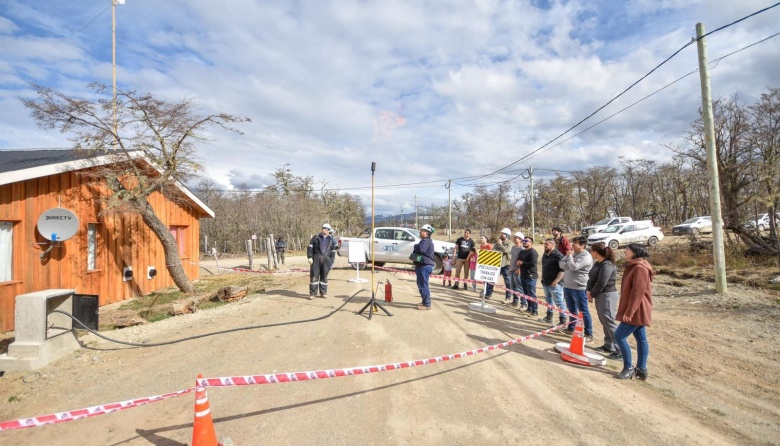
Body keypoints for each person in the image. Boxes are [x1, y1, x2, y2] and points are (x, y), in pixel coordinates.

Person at [614, 244, 655, 380]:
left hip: (638, 309)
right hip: (637, 308)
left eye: (627, 249)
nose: (624, 251)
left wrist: (630, 312)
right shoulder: (633, 265)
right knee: (641, 339)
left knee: (619, 336)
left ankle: (629, 368)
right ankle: (642, 370)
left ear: (635, 252)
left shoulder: (639, 268)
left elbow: (638, 292)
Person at [587, 242, 620, 358]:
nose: (590, 252)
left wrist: (592, 293)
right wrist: (588, 290)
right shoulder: (598, 263)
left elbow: (602, 282)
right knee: (603, 320)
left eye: (591, 250)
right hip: (599, 294)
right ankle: (608, 345)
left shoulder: (607, 265)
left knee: (609, 321)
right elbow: (591, 278)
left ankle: (619, 349)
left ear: (596, 252)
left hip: (607, 295)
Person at [559, 236, 593, 342]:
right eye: (572, 243)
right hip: (568, 286)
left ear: (582, 245)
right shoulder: (573, 254)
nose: (572, 245)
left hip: (579, 288)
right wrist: (570, 260)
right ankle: (571, 328)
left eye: (575, 243)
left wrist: (569, 259)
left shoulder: (585, 256)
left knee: (583, 311)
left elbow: (574, 267)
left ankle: (588, 333)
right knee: (572, 310)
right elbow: (561, 264)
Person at [306, 223, 337, 300]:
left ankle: (323, 293)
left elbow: (333, 251)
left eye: (326, 229)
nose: (325, 230)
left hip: (326, 260)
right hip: (316, 258)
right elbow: (310, 247)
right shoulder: (315, 238)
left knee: (324, 276)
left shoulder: (331, 239)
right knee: (314, 276)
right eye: (323, 228)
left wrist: (332, 260)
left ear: (329, 230)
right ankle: (312, 294)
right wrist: (310, 257)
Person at [539, 238, 566, 325]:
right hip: (546, 282)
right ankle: (549, 317)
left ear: (552, 245)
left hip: (555, 284)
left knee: (559, 302)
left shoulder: (558, 256)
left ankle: (562, 320)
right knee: (549, 301)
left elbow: (562, 270)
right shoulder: (545, 254)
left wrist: (556, 281)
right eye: (544, 244)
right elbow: (544, 267)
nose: (545, 245)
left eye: (547, 244)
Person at [413, 224, 436, 310]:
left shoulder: (425, 241)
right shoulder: (426, 241)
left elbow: (420, 249)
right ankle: (424, 301)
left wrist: (415, 246)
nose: (420, 232)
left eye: (421, 230)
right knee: (422, 284)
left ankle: (426, 304)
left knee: (423, 285)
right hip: (423, 265)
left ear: (426, 232)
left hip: (424, 266)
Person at [517, 236, 539, 317]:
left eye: (526, 241)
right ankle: (529, 308)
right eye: (523, 240)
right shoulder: (522, 252)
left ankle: (535, 310)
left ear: (531, 242)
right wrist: (518, 262)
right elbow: (519, 259)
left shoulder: (533, 252)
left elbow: (533, 263)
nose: (524, 242)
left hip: (531, 276)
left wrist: (522, 263)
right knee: (526, 293)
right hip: (523, 275)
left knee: (532, 293)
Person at [492, 228, 513, 302]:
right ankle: (488, 293)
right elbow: (493, 250)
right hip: (497, 264)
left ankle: (508, 297)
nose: (501, 234)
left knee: (507, 282)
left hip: (505, 264)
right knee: (492, 279)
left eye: (503, 233)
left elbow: (506, 250)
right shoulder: (497, 242)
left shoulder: (510, 243)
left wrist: (500, 245)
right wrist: (499, 245)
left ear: (507, 235)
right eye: (501, 233)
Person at [507, 232, 526, 306]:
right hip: (512, 269)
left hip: (517, 271)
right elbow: (512, 258)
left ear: (521, 239)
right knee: (513, 287)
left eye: (516, 237)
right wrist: (510, 267)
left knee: (520, 287)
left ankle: (523, 303)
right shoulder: (513, 247)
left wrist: (519, 269)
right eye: (514, 237)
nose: (514, 239)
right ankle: (515, 301)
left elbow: (522, 261)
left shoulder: (522, 249)